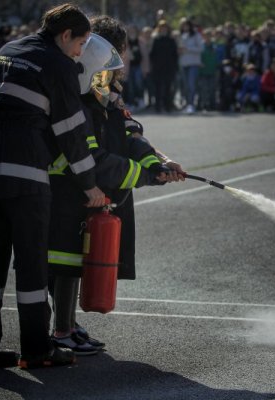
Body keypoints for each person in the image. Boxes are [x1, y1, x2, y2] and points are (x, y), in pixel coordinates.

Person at [0, 3, 105, 370]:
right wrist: (89, 186)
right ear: (65, 34)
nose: (80, 52)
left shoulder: (9, 51)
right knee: (31, 265)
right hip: (24, 172)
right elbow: (72, 132)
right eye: (81, 42)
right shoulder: (57, 64)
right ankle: (37, 351)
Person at [48, 16, 186, 355]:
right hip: (71, 190)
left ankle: (67, 325)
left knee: (75, 260)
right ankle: (60, 330)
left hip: (94, 190)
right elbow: (94, 157)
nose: (121, 67)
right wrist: (145, 175)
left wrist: (157, 163)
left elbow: (129, 133)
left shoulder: (104, 91)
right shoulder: (80, 98)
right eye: (117, 56)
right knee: (64, 260)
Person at [150, 19, 178, 113]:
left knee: (168, 88)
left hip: (169, 68)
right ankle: (158, 107)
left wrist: (174, 66)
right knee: (157, 88)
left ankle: (168, 107)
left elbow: (175, 55)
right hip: (158, 68)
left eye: (165, 28)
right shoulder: (156, 40)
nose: (163, 29)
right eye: (161, 28)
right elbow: (152, 54)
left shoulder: (171, 40)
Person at [178, 17, 204, 114]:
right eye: (183, 25)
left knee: (191, 85)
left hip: (193, 64)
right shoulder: (181, 35)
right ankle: (187, 104)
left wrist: (188, 48)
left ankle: (191, 105)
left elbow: (201, 48)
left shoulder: (196, 35)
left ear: (190, 26)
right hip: (183, 64)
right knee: (186, 86)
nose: (185, 27)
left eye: (186, 25)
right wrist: (179, 51)